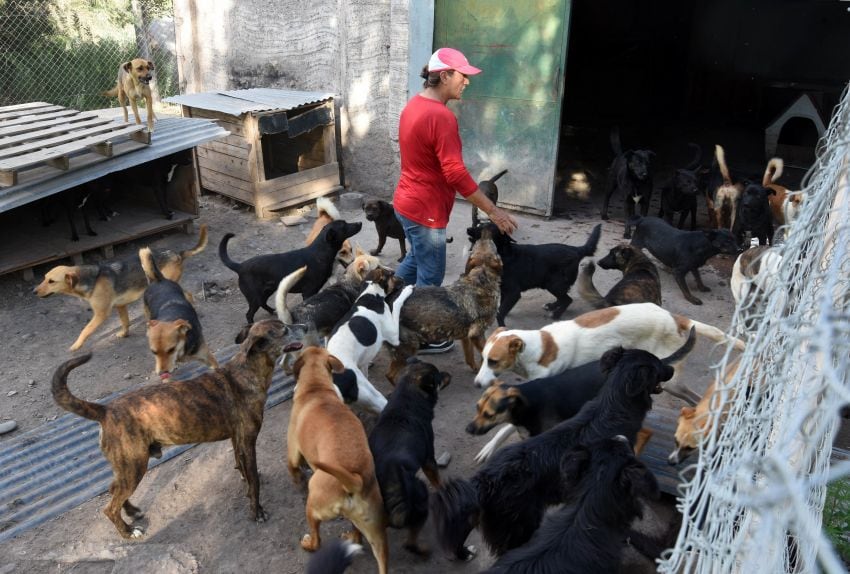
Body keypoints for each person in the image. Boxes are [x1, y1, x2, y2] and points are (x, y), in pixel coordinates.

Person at [393, 47, 518, 353]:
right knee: (430, 277)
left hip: (406, 203)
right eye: (463, 75)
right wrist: (494, 211)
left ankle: (376, 300)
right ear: (445, 75)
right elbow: (455, 174)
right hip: (426, 211)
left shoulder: (414, 104)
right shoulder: (441, 116)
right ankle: (423, 337)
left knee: (414, 260)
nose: (467, 82)